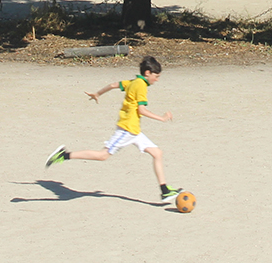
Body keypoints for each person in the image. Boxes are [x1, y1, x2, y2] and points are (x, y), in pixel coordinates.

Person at [44, 56, 182, 202]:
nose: (157, 80)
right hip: (127, 130)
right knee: (103, 155)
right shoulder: (141, 85)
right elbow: (141, 110)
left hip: (134, 131)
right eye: (156, 76)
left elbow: (113, 85)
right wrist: (162, 118)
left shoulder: (134, 82)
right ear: (148, 73)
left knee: (157, 153)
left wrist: (98, 93)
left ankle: (165, 191)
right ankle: (64, 155)